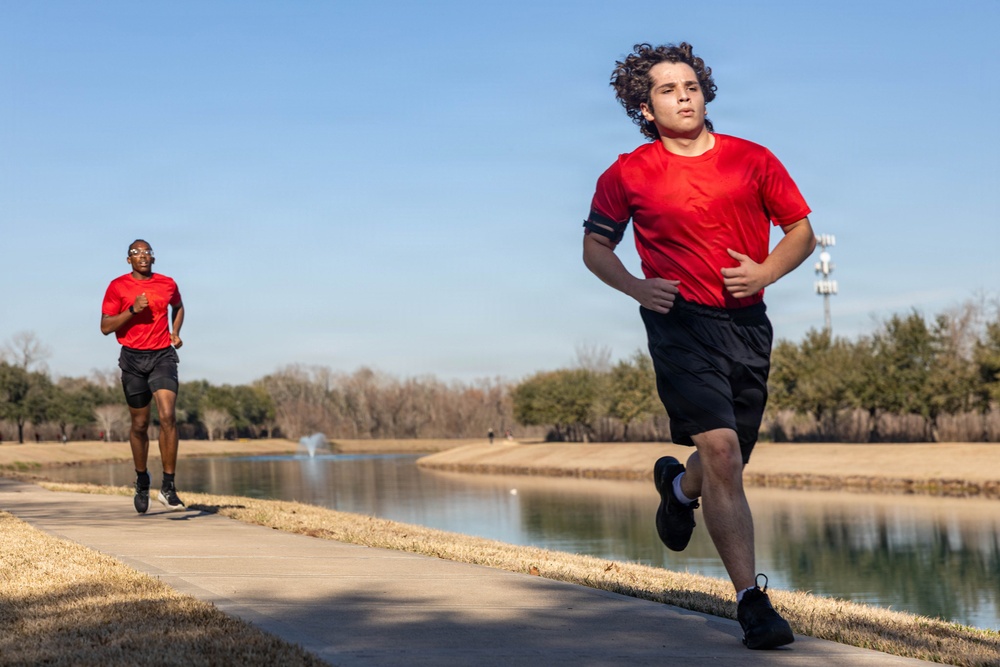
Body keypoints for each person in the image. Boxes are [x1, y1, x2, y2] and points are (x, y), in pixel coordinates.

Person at [582, 43, 816, 650]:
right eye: (668, 90)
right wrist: (636, 286)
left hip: (747, 325)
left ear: (704, 91)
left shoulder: (752, 159)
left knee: (728, 460)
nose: (684, 97)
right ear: (645, 106)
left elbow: (801, 233)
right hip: (679, 323)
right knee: (719, 450)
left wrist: (766, 272)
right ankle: (753, 602)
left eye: (691, 85)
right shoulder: (627, 172)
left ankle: (678, 490)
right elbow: (595, 249)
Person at [101, 239, 187, 513]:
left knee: (167, 415)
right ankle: (141, 480)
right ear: (129, 260)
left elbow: (179, 306)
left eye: (147, 252)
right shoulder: (118, 286)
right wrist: (132, 311)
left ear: (153, 258)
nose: (142, 256)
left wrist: (175, 331)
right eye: (136, 253)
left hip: (163, 355)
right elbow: (105, 326)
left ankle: (169, 487)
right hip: (133, 359)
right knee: (139, 424)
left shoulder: (167, 283)